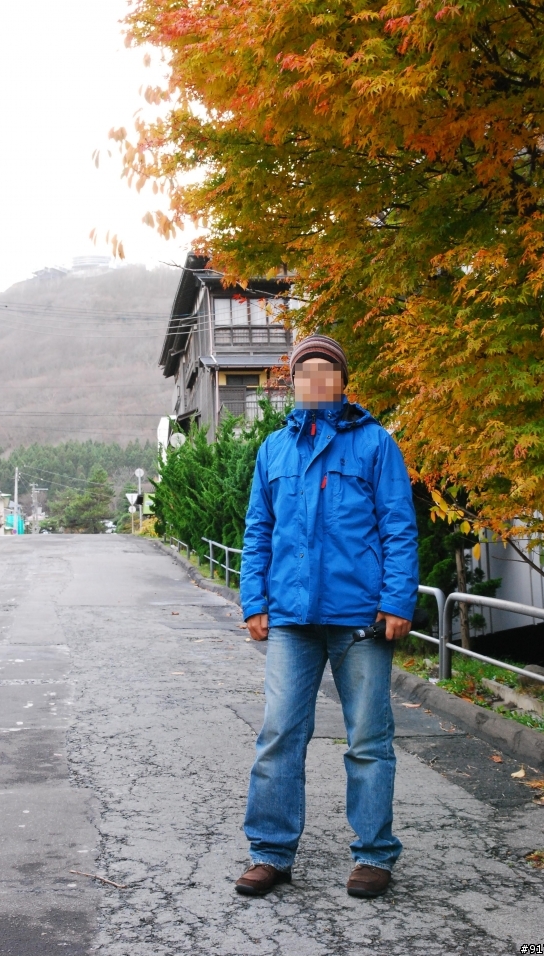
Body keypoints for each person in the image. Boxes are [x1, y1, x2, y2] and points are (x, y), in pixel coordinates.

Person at [235, 334, 419, 899]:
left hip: (360, 619)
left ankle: (374, 855)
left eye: (326, 370)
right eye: (304, 372)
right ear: (292, 383)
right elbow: (258, 531)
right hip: (292, 619)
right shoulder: (273, 449)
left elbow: (398, 526)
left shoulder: (375, 443)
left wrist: (397, 601)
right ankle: (270, 853)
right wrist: (254, 601)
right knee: (278, 734)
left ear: (342, 381)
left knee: (368, 739)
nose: (315, 380)